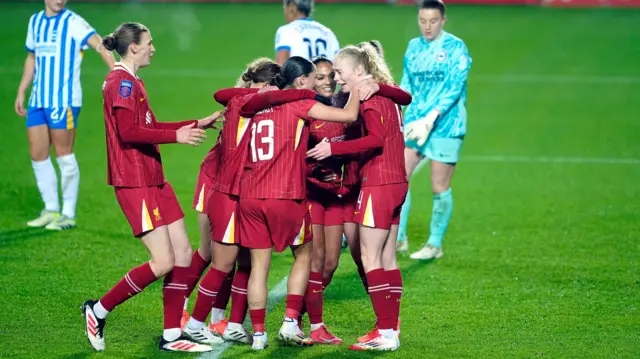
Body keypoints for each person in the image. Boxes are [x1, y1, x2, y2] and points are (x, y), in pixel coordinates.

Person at [81, 22, 221, 353]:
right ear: (133, 48)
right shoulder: (121, 84)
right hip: (134, 182)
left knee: (183, 255)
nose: (153, 48)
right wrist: (177, 136)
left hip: (155, 179)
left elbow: (150, 126)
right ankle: (98, 310)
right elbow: (128, 132)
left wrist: (194, 123)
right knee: (163, 262)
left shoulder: (132, 81)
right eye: (149, 43)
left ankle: (172, 335)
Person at [236, 56, 363, 350]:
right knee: (306, 257)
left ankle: (257, 336)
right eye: (313, 77)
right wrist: (357, 84)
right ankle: (291, 321)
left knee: (259, 267)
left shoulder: (254, 107)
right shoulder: (299, 105)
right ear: (302, 80)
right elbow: (349, 116)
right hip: (286, 194)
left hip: (251, 195)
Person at [307, 43, 410, 351]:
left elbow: (376, 139)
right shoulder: (385, 94)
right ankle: (389, 328)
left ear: (359, 71)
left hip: (379, 183)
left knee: (369, 257)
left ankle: (387, 333)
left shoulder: (369, 98)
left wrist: (332, 149)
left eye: (339, 72)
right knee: (387, 257)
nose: (336, 78)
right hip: (397, 181)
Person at [182, 59, 283, 346]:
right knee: (214, 256)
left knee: (243, 260)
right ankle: (189, 317)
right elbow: (223, 95)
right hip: (221, 187)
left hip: (240, 192)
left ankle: (225, 321)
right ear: (266, 85)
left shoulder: (258, 108)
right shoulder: (243, 105)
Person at [15, 0, 114, 230]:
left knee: (64, 155)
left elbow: (99, 44)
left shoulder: (73, 22)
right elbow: (32, 56)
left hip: (64, 101)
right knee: (38, 155)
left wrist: (116, 72)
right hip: (38, 99)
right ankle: (51, 209)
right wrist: (22, 89)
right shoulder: (35, 21)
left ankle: (68, 214)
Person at [400, 0, 472, 260]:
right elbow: (406, 84)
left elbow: (454, 88)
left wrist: (431, 118)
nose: (427, 26)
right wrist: (401, 112)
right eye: (422, 21)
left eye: (432, 21)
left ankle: (434, 244)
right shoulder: (413, 47)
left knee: (439, 185)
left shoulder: (456, 48)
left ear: (443, 20)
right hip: (416, 124)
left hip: (446, 125)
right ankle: (399, 238)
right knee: (400, 178)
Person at [275, 0, 340, 64]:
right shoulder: (328, 33)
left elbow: (281, 65)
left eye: (285, 8)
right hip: (324, 73)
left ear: (292, 7)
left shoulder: (286, 31)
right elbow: (338, 65)